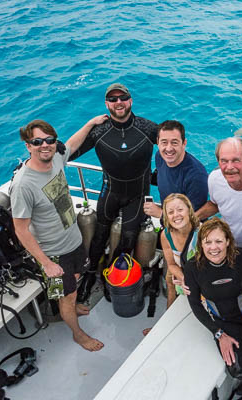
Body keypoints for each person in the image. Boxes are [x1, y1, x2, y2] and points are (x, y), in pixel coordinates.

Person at [10, 117, 107, 351]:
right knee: (67, 296)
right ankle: (77, 334)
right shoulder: (23, 184)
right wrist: (45, 264)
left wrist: (90, 123)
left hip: (73, 241)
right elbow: (20, 230)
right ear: (28, 146)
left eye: (49, 140)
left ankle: (71, 309)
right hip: (52, 254)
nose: (45, 145)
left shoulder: (56, 158)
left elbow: (72, 144)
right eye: (37, 141)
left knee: (74, 281)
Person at [69, 83, 158, 302]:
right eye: (113, 99)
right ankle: (90, 277)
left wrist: (167, 177)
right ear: (107, 103)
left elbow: (173, 149)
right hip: (110, 191)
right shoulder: (98, 131)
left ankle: (115, 276)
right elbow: (67, 153)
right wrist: (89, 123)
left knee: (128, 238)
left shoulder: (148, 128)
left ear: (130, 101)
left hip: (138, 196)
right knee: (99, 236)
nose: (118, 102)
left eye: (123, 98)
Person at [183, 218, 242, 399]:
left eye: (219, 241)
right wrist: (219, 334)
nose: (214, 247)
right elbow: (195, 305)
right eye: (208, 242)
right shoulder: (193, 268)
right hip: (224, 324)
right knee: (237, 371)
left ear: (228, 241)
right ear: (201, 244)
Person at [143, 120, 208, 219]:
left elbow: (190, 219)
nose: (168, 149)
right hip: (168, 216)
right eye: (164, 142)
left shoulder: (196, 176)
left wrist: (160, 214)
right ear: (157, 142)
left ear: (184, 143)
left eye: (174, 143)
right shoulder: (160, 157)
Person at [159, 193, 200, 309]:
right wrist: (182, 277)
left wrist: (189, 280)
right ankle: (167, 319)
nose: (176, 215)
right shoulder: (165, 235)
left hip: (198, 273)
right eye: (170, 212)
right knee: (170, 286)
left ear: (189, 210)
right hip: (177, 269)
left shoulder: (201, 233)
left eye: (180, 209)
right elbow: (171, 264)